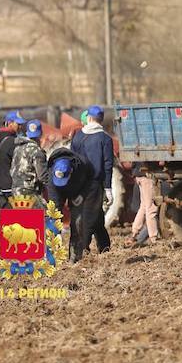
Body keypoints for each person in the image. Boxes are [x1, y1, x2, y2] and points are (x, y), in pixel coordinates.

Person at [70, 105, 114, 261]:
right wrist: (108, 187)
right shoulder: (105, 139)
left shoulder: (77, 136)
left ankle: (104, 246)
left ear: (88, 118)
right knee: (90, 216)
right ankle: (81, 248)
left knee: (95, 215)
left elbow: (72, 160)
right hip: (95, 184)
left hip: (78, 183)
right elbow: (108, 165)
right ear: (101, 119)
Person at [46, 146, 93, 250]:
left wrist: (82, 195)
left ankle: (76, 255)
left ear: (71, 170)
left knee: (77, 222)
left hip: (76, 189)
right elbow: (54, 201)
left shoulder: (83, 165)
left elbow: (90, 180)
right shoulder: (51, 171)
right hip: (57, 190)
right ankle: (54, 252)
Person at [0, 111, 26, 209]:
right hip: (12, 186)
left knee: (8, 219)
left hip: (1, 186)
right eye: (18, 124)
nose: (20, 127)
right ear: (10, 123)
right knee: (23, 219)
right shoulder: (12, 142)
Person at [10, 119, 48, 201]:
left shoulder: (18, 148)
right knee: (45, 213)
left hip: (15, 191)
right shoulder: (37, 152)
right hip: (29, 193)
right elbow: (43, 177)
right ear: (40, 134)